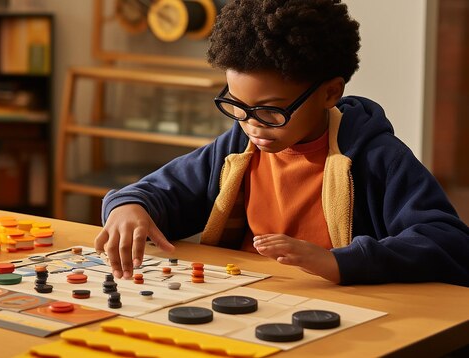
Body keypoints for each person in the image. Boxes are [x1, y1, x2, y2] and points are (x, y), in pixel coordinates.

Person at [94, 0, 469, 286]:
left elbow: (448, 241)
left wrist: (338, 261)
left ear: (330, 93)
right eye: (237, 106)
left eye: (270, 111)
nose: (251, 125)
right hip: (248, 297)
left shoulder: (374, 156)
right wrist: (129, 206)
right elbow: (162, 192)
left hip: (339, 313)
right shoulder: (236, 150)